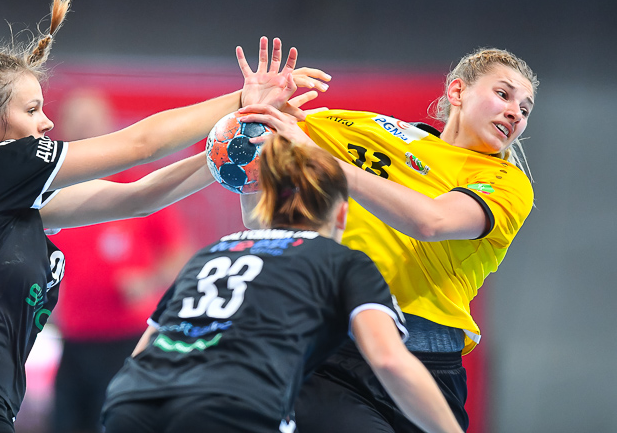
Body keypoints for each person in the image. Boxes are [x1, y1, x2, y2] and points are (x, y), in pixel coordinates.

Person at [0, 0, 323, 433]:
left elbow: (139, 197)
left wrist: (239, 144)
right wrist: (241, 101)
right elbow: (141, 144)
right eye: (32, 110)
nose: (47, 122)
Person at [238, 47, 537, 432]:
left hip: (430, 362)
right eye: (504, 94)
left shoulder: (508, 182)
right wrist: (252, 118)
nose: (515, 113)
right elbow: (260, 216)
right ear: (457, 91)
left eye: (525, 109)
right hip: (337, 347)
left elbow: (431, 222)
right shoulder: (357, 128)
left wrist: (322, 161)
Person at [100, 134, 464, 433]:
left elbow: (145, 349)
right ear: (342, 213)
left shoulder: (211, 253)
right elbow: (389, 360)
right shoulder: (340, 260)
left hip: (130, 402)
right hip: (231, 407)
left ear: (266, 207)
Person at [49, 92, 194, 433]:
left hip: (126, 339)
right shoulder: (55, 192)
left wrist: (147, 281)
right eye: (77, 124)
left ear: (108, 127)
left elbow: (180, 255)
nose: (85, 131)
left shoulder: (138, 187)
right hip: (74, 340)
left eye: (91, 123)